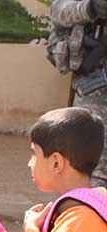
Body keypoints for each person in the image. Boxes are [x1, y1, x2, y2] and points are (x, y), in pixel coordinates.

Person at [47, 0, 107, 187]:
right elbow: (58, 11)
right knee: (90, 163)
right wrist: (91, 8)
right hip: (95, 87)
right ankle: (92, 210)